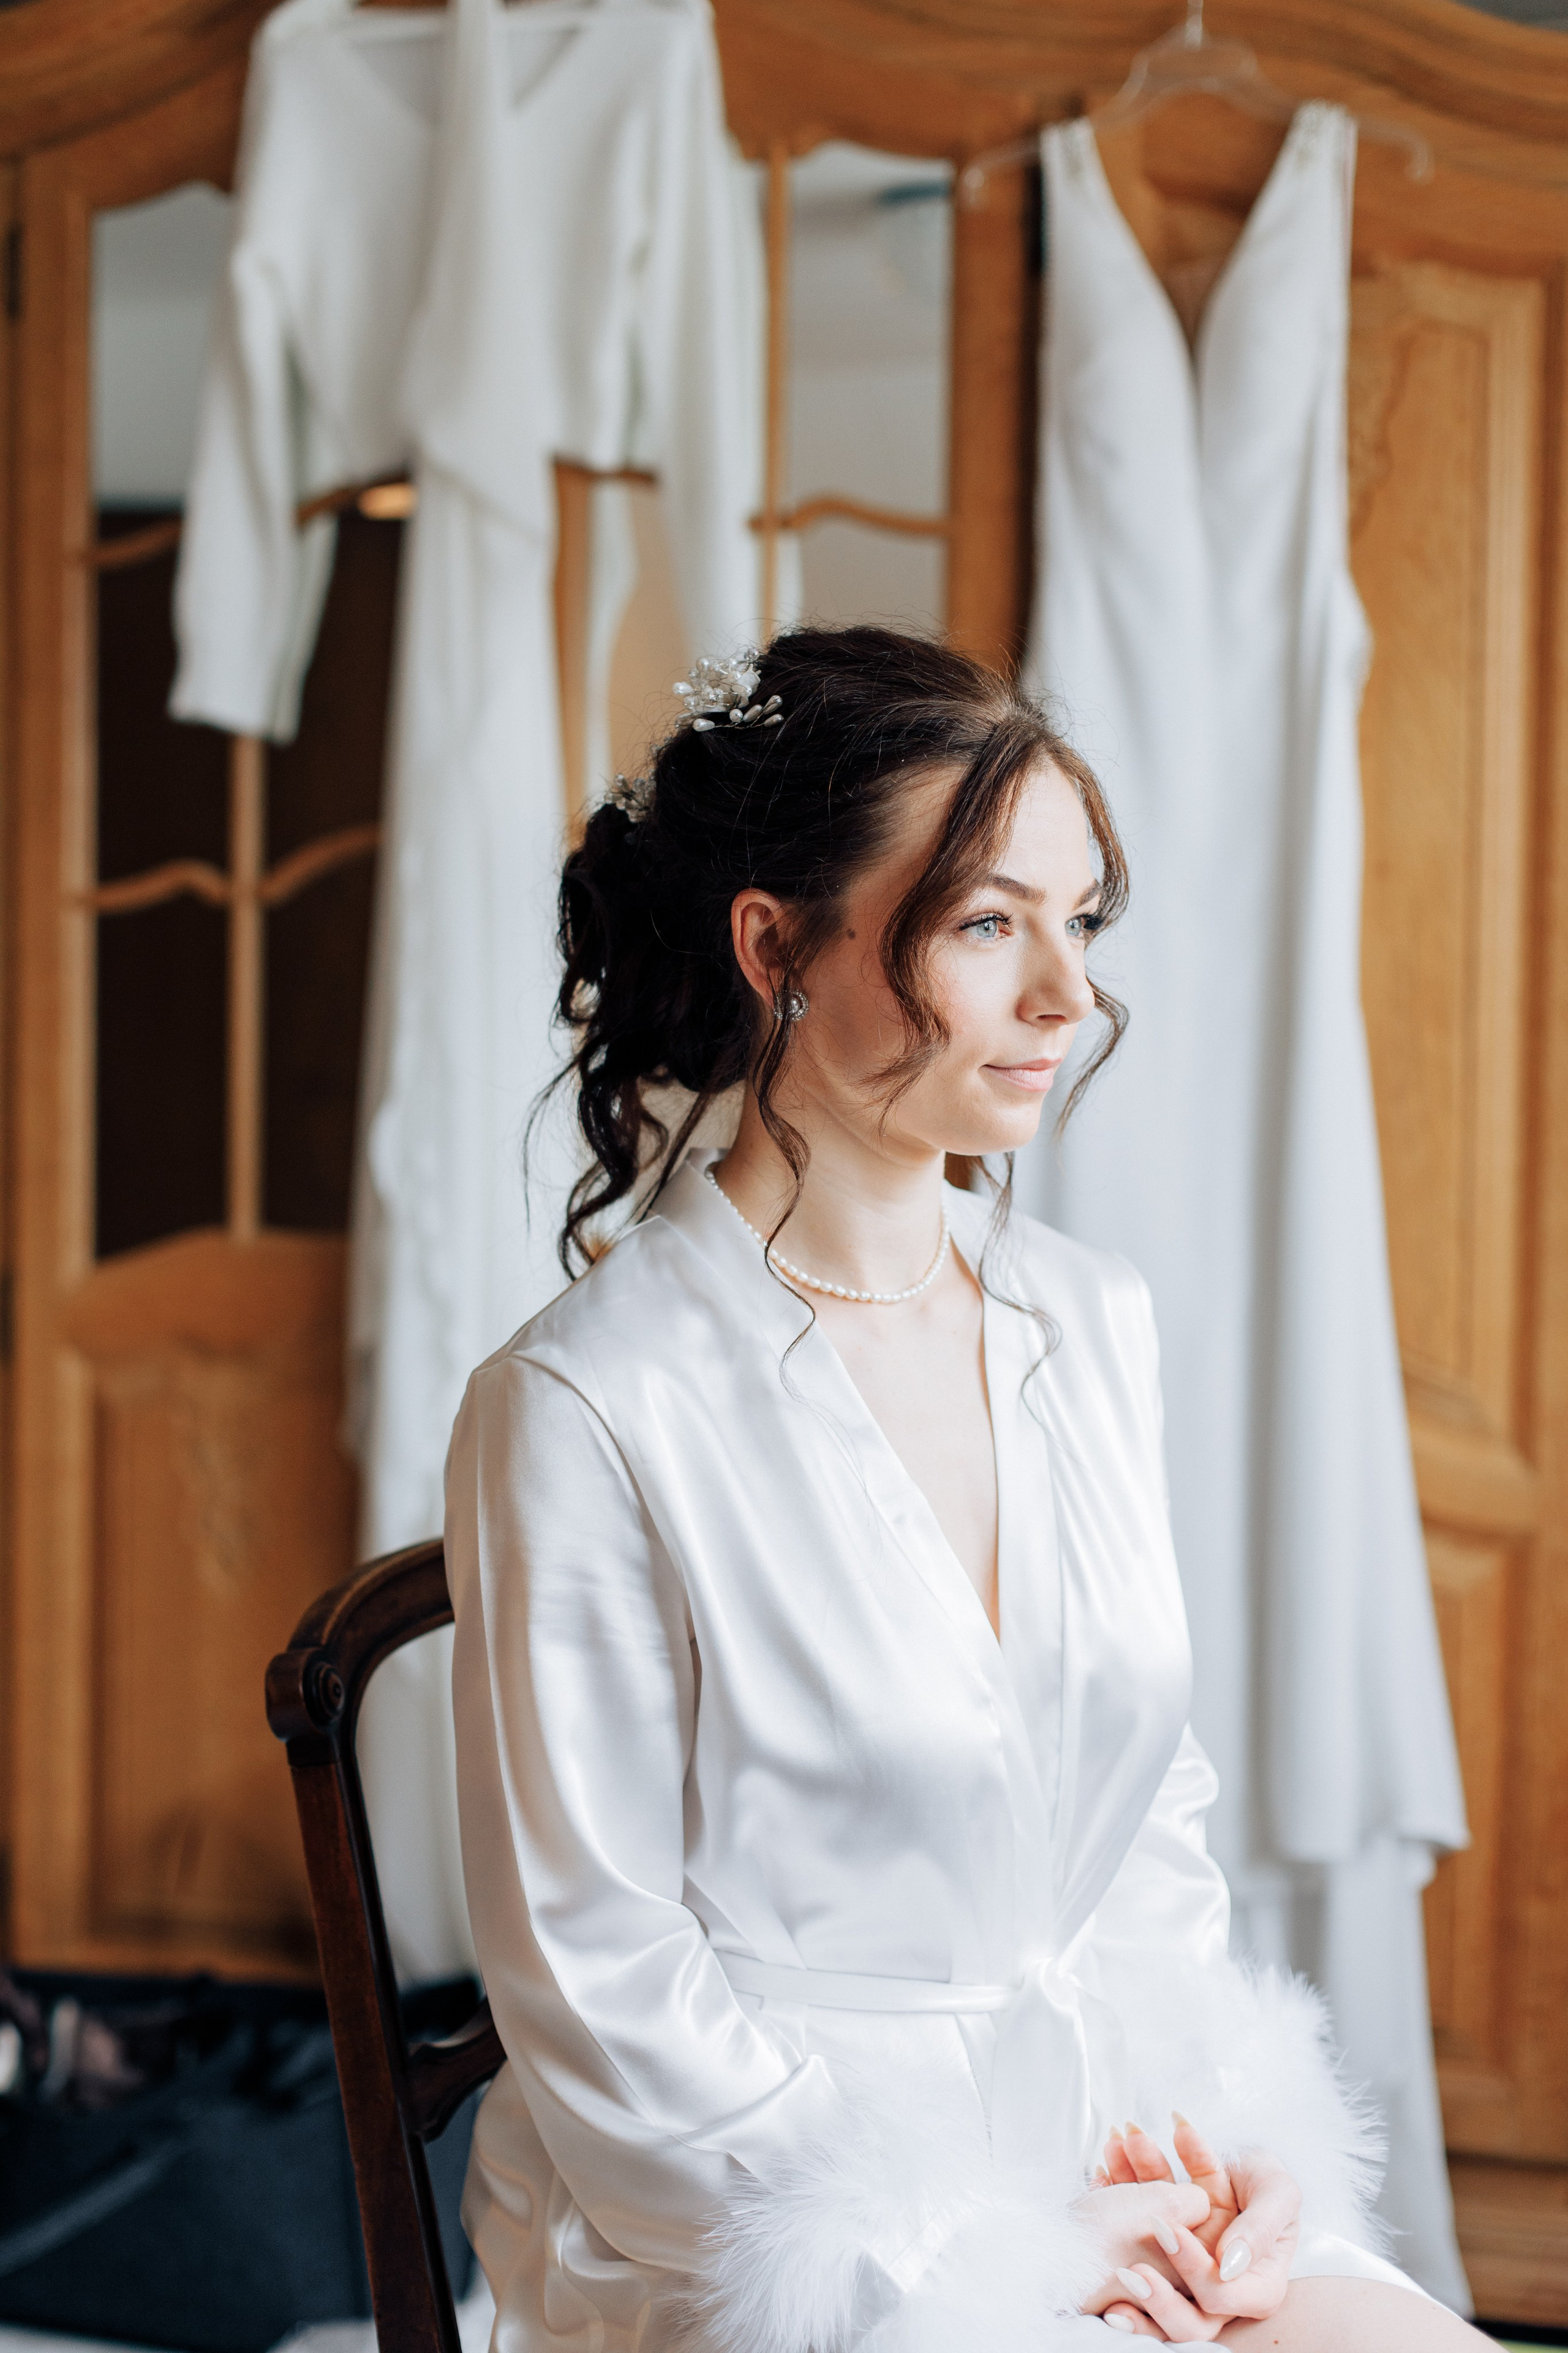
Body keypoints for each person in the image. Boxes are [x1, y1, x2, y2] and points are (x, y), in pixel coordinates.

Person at [445, 628, 1487, 2348]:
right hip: (778, 2222)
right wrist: (987, 2247)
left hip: (1106, 2145)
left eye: (1080, 921)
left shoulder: (1093, 1322)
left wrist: (1220, 2145)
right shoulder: (584, 1404)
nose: (1067, 994)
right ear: (774, 945)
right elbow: (595, 1979)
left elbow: (1143, 1827)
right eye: (989, 924)